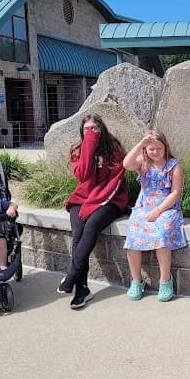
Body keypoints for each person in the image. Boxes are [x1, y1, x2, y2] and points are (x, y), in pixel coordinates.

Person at [60, 114, 128, 309]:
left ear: (102, 129)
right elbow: (83, 175)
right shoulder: (78, 150)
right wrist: (89, 144)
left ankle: (72, 277)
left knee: (91, 227)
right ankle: (82, 288)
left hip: (109, 198)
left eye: (95, 129)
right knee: (78, 234)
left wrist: (97, 202)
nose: (91, 132)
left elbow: (114, 181)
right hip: (83, 198)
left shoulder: (114, 150)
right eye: (87, 129)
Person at [123, 130, 187, 302]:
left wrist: (158, 211)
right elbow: (126, 164)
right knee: (133, 235)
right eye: (151, 148)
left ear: (165, 148)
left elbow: (175, 192)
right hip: (144, 206)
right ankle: (136, 281)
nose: (155, 152)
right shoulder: (143, 162)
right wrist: (141, 143)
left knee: (161, 233)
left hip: (166, 207)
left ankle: (165, 279)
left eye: (159, 148)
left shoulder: (174, 165)